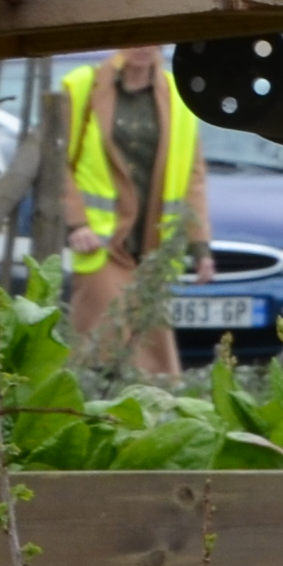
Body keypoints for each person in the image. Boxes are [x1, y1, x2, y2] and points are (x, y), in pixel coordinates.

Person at [55, 46, 202, 376]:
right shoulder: (82, 86)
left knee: (154, 353)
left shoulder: (177, 95)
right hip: (100, 241)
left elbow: (193, 173)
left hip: (153, 244)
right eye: (136, 39)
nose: (143, 48)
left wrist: (200, 244)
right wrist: (76, 222)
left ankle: (156, 419)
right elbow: (57, 162)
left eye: (153, 40)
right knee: (100, 345)